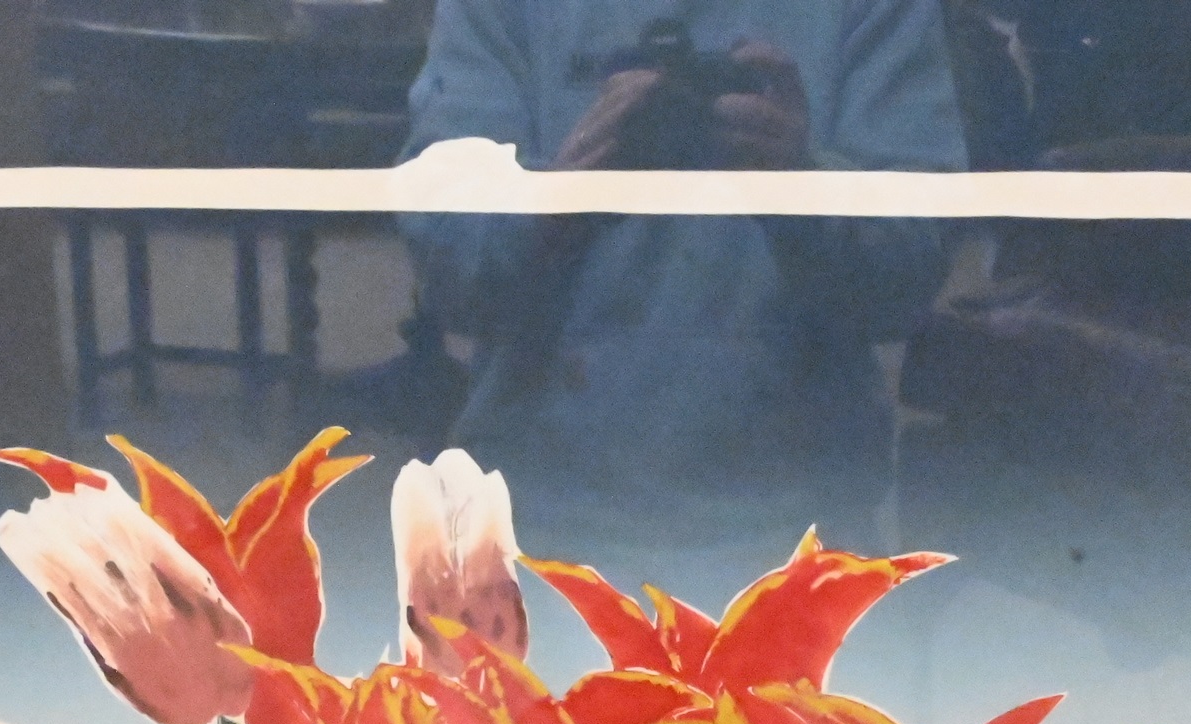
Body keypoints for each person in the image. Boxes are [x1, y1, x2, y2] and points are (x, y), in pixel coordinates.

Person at [400, 2, 966, 578]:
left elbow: (909, 277)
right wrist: (560, 202)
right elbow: (449, 269)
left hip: (799, 534)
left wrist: (801, 190)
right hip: (542, 524)